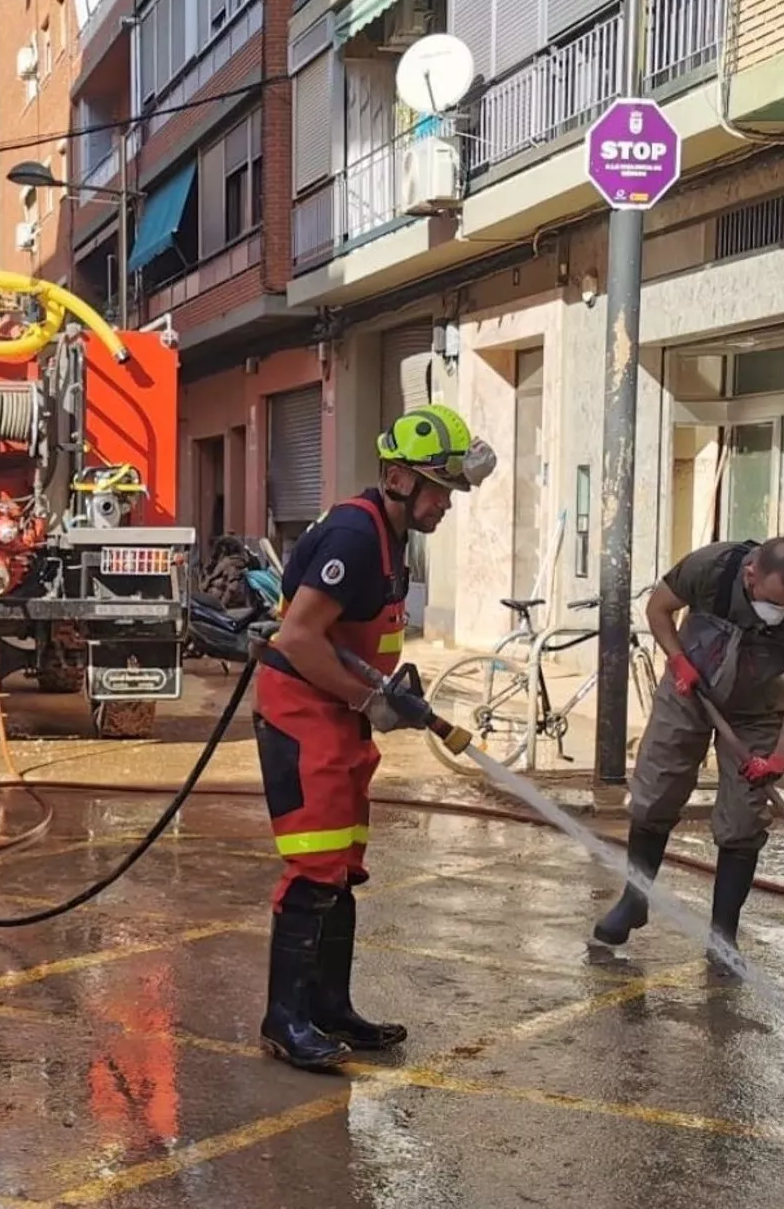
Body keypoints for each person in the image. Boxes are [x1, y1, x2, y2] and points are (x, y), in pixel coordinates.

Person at [253, 403, 495, 1071]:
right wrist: (367, 696)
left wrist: (388, 688)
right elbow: (298, 636)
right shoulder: (356, 537)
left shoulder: (392, 538)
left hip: (342, 713)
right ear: (398, 477)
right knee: (312, 865)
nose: (446, 504)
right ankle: (285, 1018)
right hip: (304, 711)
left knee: (342, 868)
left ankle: (329, 1007)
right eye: (439, 488)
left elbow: (364, 635)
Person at [592, 536, 784, 966]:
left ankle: (723, 938)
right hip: (690, 688)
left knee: (743, 818)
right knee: (655, 795)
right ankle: (634, 898)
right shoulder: (712, 566)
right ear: (751, 573)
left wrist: (780, 758)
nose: (777, 613)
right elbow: (658, 610)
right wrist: (677, 658)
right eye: (771, 602)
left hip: (757, 708)